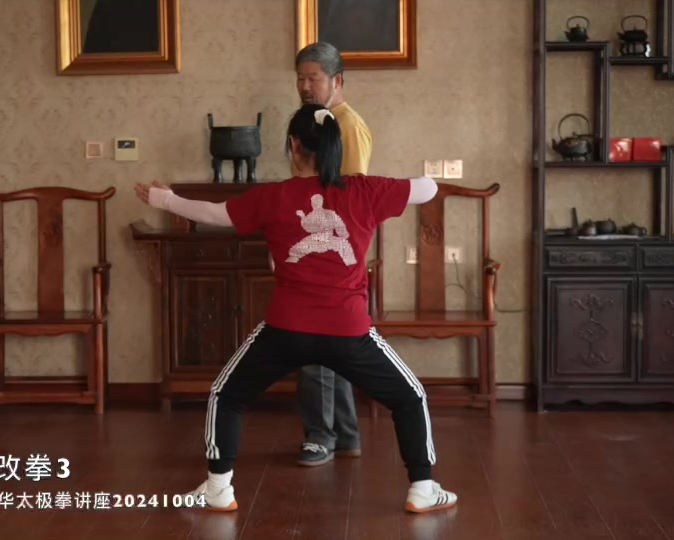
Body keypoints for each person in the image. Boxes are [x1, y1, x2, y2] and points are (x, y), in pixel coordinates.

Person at [133, 103, 457, 514]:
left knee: (225, 395)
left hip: (287, 330)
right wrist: (384, 182)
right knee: (410, 397)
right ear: (336, 145)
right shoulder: (366, 190)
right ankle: (423, 489)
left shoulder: (274, 196)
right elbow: (428, 189)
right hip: (348, 332)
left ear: (293, 144)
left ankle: (218, 488)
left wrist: (164, 199)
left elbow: (214, 214)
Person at [291, 41, 372, 467]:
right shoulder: (314, 122)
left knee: (313, 346)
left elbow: (350, 197)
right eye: (300, 78)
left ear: (336, 80)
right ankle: (345, 435)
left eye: (314, 78)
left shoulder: (347, 125)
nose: (305, 86)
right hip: (317, 249)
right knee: (329, 349)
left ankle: (321, 437)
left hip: (331, 256)